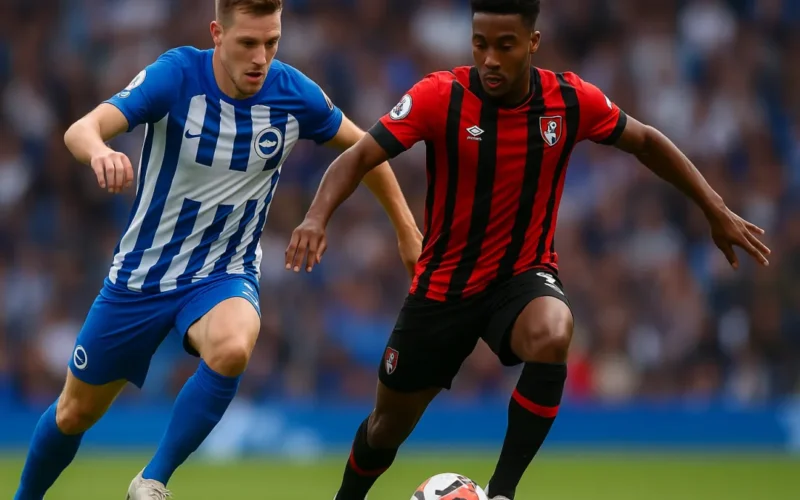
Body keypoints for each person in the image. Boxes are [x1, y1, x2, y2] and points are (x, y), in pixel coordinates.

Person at [284, 0, 772, 499]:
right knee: (386, 427)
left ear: (532, 43)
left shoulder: (569, 101)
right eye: (480, 45)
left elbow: (645, 141)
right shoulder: (439, 96)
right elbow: (359, 155)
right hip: (443, 289)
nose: (490, 59)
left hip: (520, 278)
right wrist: (316, 216)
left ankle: (501, 493)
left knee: (554, 331)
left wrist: (714, 208)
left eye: (505, 45)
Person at [13, 1, 422, 498]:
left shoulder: (294, 93)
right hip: (142, 277)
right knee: (73, 413)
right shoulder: (176, 75)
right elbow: (81, 129)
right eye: (248, 43)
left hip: (223, 274)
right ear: (217, 33)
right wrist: (101, 152)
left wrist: (406, 229)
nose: (261, 58)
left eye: (271, 43)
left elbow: (368, 151)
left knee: (232, 347)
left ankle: (152, 480)